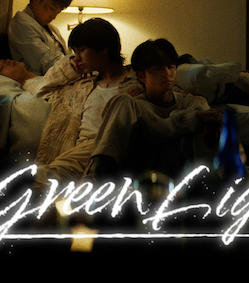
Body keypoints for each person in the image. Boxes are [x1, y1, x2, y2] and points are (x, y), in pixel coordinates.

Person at [84, 38, 223, 182]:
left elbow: (206, 112)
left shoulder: (190, 101)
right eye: (157, 69)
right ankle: (97, 174)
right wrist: (194, 118)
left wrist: (210, 121)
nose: (166, 74)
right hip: (138, 170)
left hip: (179, 173)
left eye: (170, 67)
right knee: (122, 100)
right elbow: (157, 128)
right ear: (141, 76)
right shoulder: (137, 105)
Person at [28, 18, 142, 192]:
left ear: (103, 48)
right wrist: (69, 67)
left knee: (41, 179)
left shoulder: (137, 82)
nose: (77, 58)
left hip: (111, 151)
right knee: (38, 178)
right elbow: (42, 90)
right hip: (79, 153)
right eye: (75, 52)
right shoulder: (82, 86)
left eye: (81, 50)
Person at [8, 0, 73, 76]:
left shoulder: (52, 29)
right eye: (52, 8)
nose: (54, 16)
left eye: (58, 12)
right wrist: (74, 65)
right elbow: (45, 61)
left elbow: (67, 54)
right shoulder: (21, 23)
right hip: (42, 80)